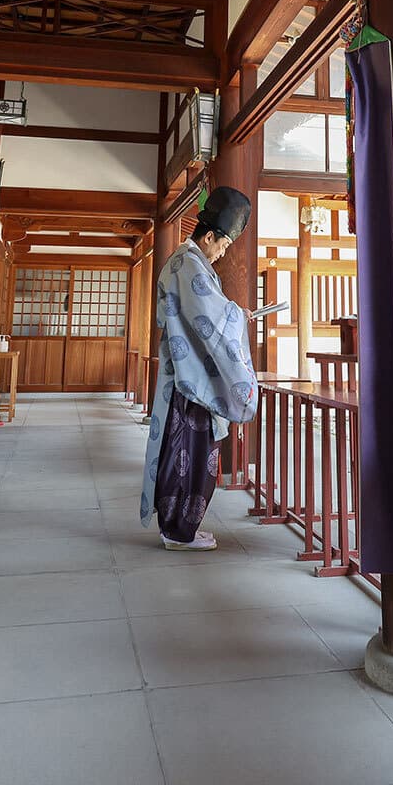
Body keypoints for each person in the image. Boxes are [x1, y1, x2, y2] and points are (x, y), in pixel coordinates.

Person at [139, 186, 259, 550]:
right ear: (209, 236)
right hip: (192, 381)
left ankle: (176, 528)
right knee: (188, 456)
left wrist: (235, 314)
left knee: (181, 452)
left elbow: (203, 317)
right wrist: (238, 315)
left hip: (185, 375)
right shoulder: (190, 264)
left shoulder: (182, 261)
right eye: (222, 245)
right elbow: (211, 319)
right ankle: (179, 531)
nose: (222, 253)